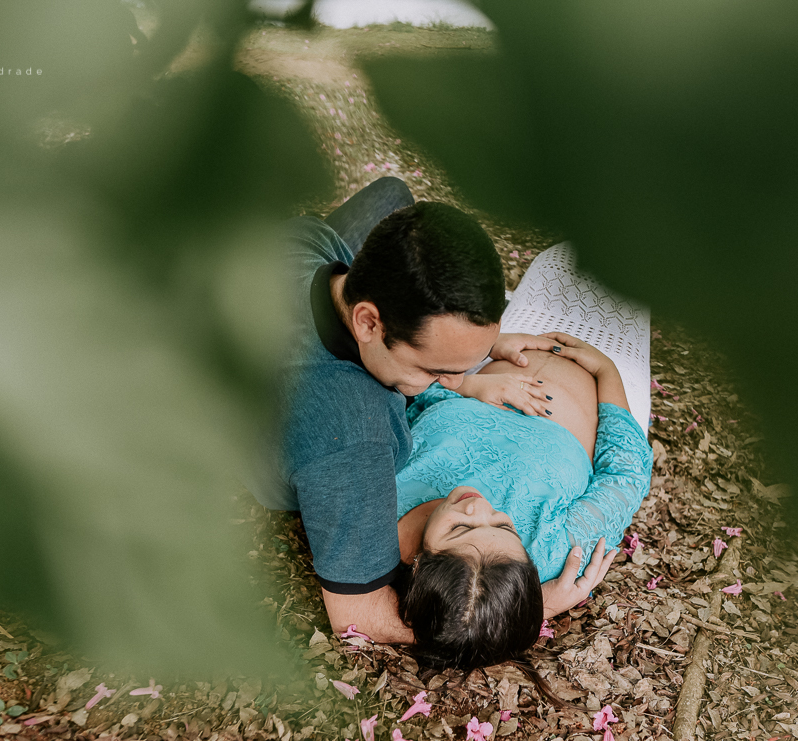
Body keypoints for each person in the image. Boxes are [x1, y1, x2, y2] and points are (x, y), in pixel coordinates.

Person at [247, 178, 579, 642]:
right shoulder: (354, 437)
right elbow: (355, 616)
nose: (457, 381)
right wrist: (533, 608)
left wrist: (467, 354)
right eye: (437, 369)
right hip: (270, 442)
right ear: (367, 321)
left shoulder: (301, 248)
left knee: (392, 194)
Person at [391, 243, 654, 672]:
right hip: (606, 375)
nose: (480, 506)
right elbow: (624, 474)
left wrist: (471, 376)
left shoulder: (380, 504)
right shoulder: (551, 555)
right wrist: (606, 371)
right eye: (503, 524)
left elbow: (405, 396)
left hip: (498, 354)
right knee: (634, 262)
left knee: (566, 253)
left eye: (460, 527)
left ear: (418, 565)